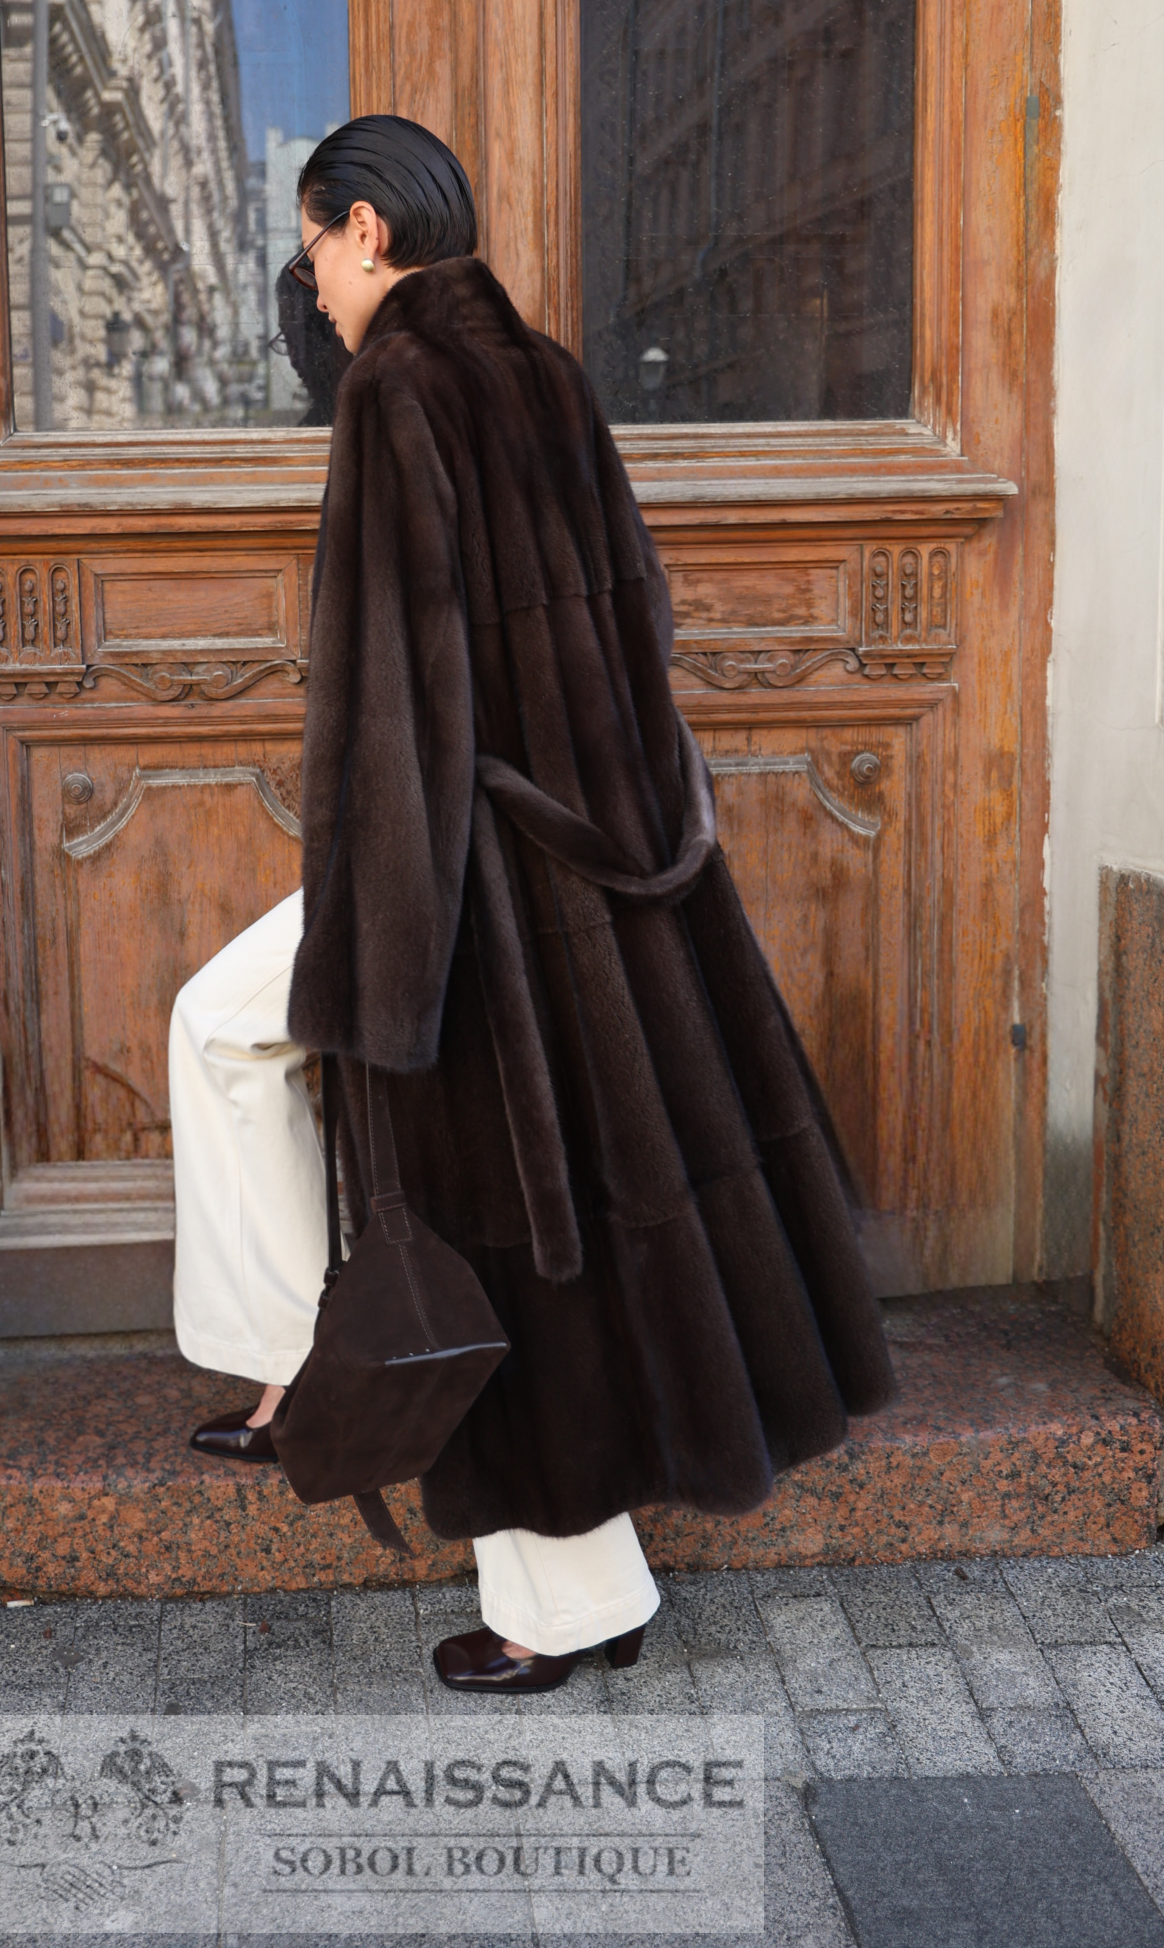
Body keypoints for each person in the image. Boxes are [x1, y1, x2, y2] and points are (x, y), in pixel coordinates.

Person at [169, 114, 895, 1695]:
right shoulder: (545, 374)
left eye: (313, 248)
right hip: (591, 857)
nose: (311, 280)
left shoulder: (400, 394)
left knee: (480, 1212)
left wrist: (393, 955)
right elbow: (631, 624)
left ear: (366, 229)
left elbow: (399, 698)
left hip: (459, 875)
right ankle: (337, 1394)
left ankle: (479, 1533)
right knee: (498, 1200)